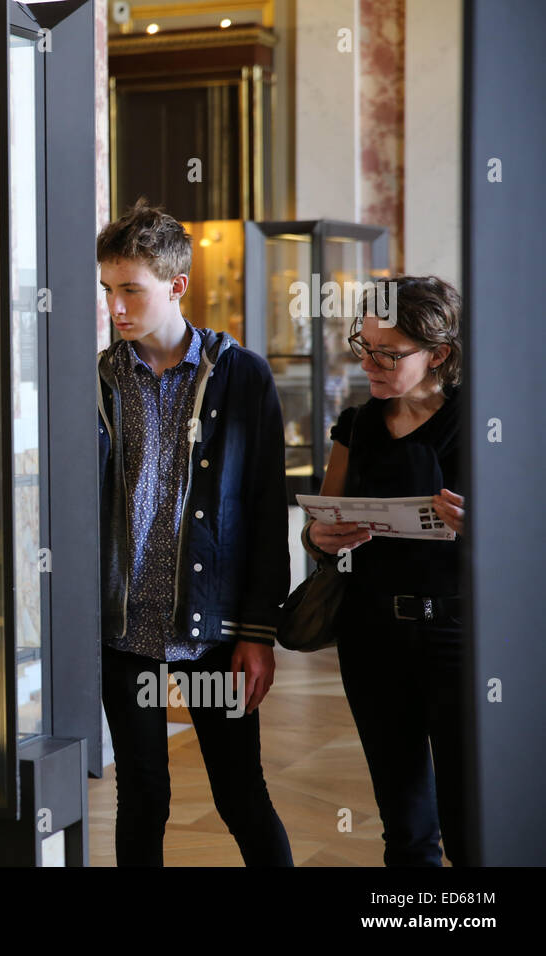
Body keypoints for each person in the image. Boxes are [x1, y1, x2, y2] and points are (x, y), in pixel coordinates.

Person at [96, 199, 292, 866]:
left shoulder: (242, 376)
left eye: (131, 290)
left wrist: (257, 635)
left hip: (212, 630)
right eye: (108, 291)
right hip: (124, 631)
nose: (117, 307)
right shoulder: (97, 379)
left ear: (176, 286)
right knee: (141, 798)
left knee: (241, 795)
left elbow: (266, 513)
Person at [305, 275, 466, 866]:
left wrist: (485, 529)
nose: (369, 364)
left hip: (460, 636)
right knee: (404, 823)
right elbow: (322, 528)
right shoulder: (357, 424)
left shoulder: (483, 423)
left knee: (471, 818)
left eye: (388, 354)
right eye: (362, 346)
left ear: (439, 355)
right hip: (372, 636)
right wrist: (321, 536)